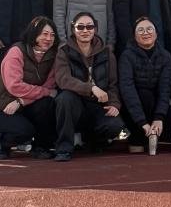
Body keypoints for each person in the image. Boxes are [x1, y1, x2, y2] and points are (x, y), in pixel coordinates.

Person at [53, 11, 125, 159]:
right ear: (73, 29)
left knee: (115, 125)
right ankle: (64, 148)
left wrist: (114, 104)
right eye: (80, 27)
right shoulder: (63, 52)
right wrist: (91, 88)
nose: (85, 30)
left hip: (98, 105)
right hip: (75, 104)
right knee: (65, 98)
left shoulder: (107, 53)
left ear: (95, 29)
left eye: (89, 26)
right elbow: (63, 79)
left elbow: (112, 84)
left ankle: (93, 140)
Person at [0, 16, 59, 159]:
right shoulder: (16, 51)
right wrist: (44, 92)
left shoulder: (54, 55)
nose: (48, 38)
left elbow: (49, 86)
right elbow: (15, 86)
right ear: (34, 34)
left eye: (52, 35)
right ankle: (1, 143)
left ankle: (40, 147)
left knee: (47, 104)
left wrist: (21, 101)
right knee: (24, 131)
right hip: (3, 106)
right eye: (44, 34)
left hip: (25, 104)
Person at [118, 18, 171, 155]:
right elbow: (127, 90)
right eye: (140, 30)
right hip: (133, 109)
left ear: (156, 33)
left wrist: (159, 117)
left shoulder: (165, 56)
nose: (146, 33)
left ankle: (155, 134)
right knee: (144, 95)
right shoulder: (126, 56)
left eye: (149, 29)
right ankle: (138, 138)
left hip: (155, 106)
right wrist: (142, 122)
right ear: (134, 35)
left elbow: (165, 89)